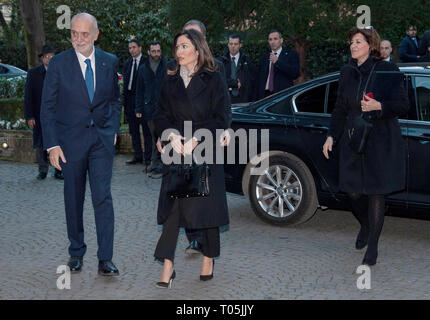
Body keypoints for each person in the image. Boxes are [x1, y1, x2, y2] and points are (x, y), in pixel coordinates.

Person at [40, 13, 121, 276]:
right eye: (74, 33)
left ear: (96, 35)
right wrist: (52, 145)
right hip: (69, 144)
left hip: (101, 142)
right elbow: (47, 107)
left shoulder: (110, 62)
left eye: (85, 34)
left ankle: (105, 258)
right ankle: (76, 252)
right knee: (73, 200)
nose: (79, 39)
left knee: (103, 198)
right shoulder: (59, 64)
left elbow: (114, 100)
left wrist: (113, 130)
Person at [322, 27, 409, 266]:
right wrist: (331, 136)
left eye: (357, 42)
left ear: (370, 46)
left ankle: (373, 246)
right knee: (352, 191)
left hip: (380, 139)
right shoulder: (347, 72)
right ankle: (365, 224)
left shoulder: (388, 69)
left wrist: (380, 106)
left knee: (375, 192)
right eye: (351, 42)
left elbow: (403, 105)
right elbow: (339, 107)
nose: (352, 45)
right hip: (353, 137)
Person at [153, 29, 231, 288]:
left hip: (204, 150)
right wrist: (170, 135)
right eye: (177, 47)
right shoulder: (169, 78)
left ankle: (208, 258)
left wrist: (198, 137)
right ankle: (167, 265)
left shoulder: (214, 78)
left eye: (184, 46)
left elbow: (221, 117)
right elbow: (161, 114)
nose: (179, 52)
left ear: (197, 49)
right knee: (172, 209)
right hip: (177, 151)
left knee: (207, 209)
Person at [180, 19, 231, 255]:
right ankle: (194, 237)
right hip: (181, 140)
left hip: (207, 137)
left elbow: (224, 107)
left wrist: (226, 129)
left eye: (195, 36)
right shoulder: (174, 66)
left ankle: (207, 242)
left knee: (206, 189)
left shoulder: (216, 67)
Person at [24, 44, 63, 180]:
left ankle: (59, 170)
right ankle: (43, 170)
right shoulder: (33, 73)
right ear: (42, 58)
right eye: (47, 57)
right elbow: (28, 96)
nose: (49, 60)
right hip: (39, 114)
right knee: (40, 143)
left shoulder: (61, 72)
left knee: (59, 141)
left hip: (58, 114)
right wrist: (29, 116)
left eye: (52, 57)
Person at [135, 41, 167, 179]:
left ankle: (160, 165)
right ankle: (155, 163)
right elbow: (139, 90)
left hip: (164, 109)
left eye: (158, 51)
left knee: (162, 136)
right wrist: (138, 108)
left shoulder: (167, 67)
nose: (156, 54)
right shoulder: (142, 69)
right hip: (149, 109)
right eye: (153, 51)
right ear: (148, 52)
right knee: (154, 136)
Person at [123, 39, 152, 167]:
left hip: (142, 102)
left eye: (134, 47)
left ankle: (148, 157)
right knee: (133, 130)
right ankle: (138, 155)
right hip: (130, 102)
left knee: (146, 131)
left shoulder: (147, 62)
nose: (132, 50)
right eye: (130, 48)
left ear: (140, 48)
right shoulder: (127, 64)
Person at [256, 29, 300, 100]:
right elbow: (259, 80)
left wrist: (277, 62)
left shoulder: (291, 54)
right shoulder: (263, 58)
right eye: (270, 39)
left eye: (275, 39)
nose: (273, 42)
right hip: (265, 96)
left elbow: (295, 73)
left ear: (281, 40)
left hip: (282, 96)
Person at [220, 34, 256, 103]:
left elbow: (252, 82)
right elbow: (219, 80)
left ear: (240, 45)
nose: (233, 46)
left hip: (243, 100)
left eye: (236, 44)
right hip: (225, 99)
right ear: (228, 45)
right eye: (231, 44)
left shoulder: (247, 61)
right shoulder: (221, 62)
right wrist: (234, 83)